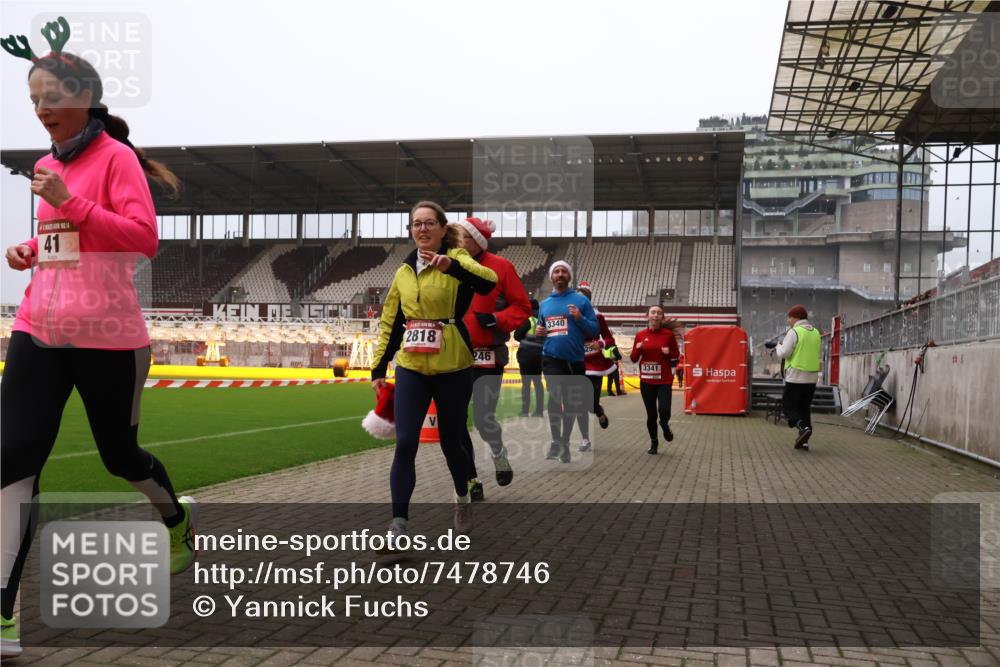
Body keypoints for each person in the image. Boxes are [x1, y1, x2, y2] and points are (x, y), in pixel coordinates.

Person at [1, 27, 192, 659]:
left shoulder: (115, 159)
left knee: (120, 456)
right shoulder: (47, 163)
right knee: (13, 459)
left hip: (108, 338)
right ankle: (4, 612)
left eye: (52, 95)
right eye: (33, 98)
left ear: (86, 96)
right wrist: (33, 251)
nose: (41, 107)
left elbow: (142, 238)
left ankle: (174, 518)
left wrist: (71, 204)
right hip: (36, 332)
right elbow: (70, 248)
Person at [370, 201, 498, 538]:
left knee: (450, 442)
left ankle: (461, 497)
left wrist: (451, 268)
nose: (422, 229)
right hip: (411, 365)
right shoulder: (402, 272)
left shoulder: (458, 259)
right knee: (406, 442)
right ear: (411, 230)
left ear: (443, 229)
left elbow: (489, 282)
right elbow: (391, 323)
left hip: (452, 365)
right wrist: (379, 368)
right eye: (416, 224)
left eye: (429, 223)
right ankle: (398, 524)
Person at [455, 217, 531, 498]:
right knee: (456, 420)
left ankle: (498, 453)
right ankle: (471, 479)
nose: (457, 240)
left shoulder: (501, 267)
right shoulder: (450, 265)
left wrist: (496, 319)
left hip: (488, 355)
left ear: (477, 240)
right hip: (454, 354)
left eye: (462, 236)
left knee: (483, 418)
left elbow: (522, 306)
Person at [536, 261, 598, 463]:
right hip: (551, 359)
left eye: (564, 271)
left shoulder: (581, 301)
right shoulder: (544, 304)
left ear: (569, 276)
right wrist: (539, 332)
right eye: (556, 271)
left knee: (571, 404)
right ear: (552, 277)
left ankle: (563, 443)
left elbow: (594, 330)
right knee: (555, 398)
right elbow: (541, 329)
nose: (560, 274)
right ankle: (556, 441)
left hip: (575, 361)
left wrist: (579, 318)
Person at [766, 304, 820, 450]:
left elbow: (784, 353)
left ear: (796, 317)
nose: (788, 320)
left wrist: (778, 346)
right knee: (804, 408)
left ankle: (802, 427)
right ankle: (804, 440)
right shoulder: (815, 332)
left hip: (796, 376)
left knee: (788, 406)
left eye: (789, 317)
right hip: (812, 378)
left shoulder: (794, 332)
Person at [630, 306, 681, 454]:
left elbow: (676, 355)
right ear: (648, 316)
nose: (656, 315)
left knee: (664, 410)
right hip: (646, 381)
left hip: (664, 380)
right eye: (653, 312)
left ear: (662, 318)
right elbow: (633, 359)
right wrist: (638, 349)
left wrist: (668, 352)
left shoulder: (668, 335)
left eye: (659, 313)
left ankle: (664, 424)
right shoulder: (640, 335)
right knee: (651, 415)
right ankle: (654, 442)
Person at [574, 281, 614, 452]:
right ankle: (585, 439)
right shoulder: (569, 315)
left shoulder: (597, 316)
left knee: (590, 403)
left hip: (595, 364)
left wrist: (601, 343)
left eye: (583, 296)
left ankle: (598, 411)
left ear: (588, 299)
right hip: (576, 362)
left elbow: (609, 338)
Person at [514, 298, 544, 417]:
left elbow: (517, 336)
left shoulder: (529, 320)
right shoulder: (544, 321)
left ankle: (525, 411)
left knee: (526, 384)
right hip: (539, 356)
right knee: (538, 383)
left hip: (526, 355)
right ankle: (539, 411)